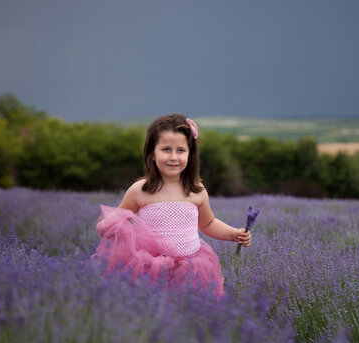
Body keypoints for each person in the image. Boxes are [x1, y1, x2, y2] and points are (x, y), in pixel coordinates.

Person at [91, 113, 251, 297]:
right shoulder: (140, 190)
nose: (173, 157)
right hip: (151, 269)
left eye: (181, 150)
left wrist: (233, 234)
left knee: (189, 312)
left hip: (191, 268)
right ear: (152, 153)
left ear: (190, 155)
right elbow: (119, 217)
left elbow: (208, 224)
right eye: (166, 149)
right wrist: (106, 226)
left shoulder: (197, 191)